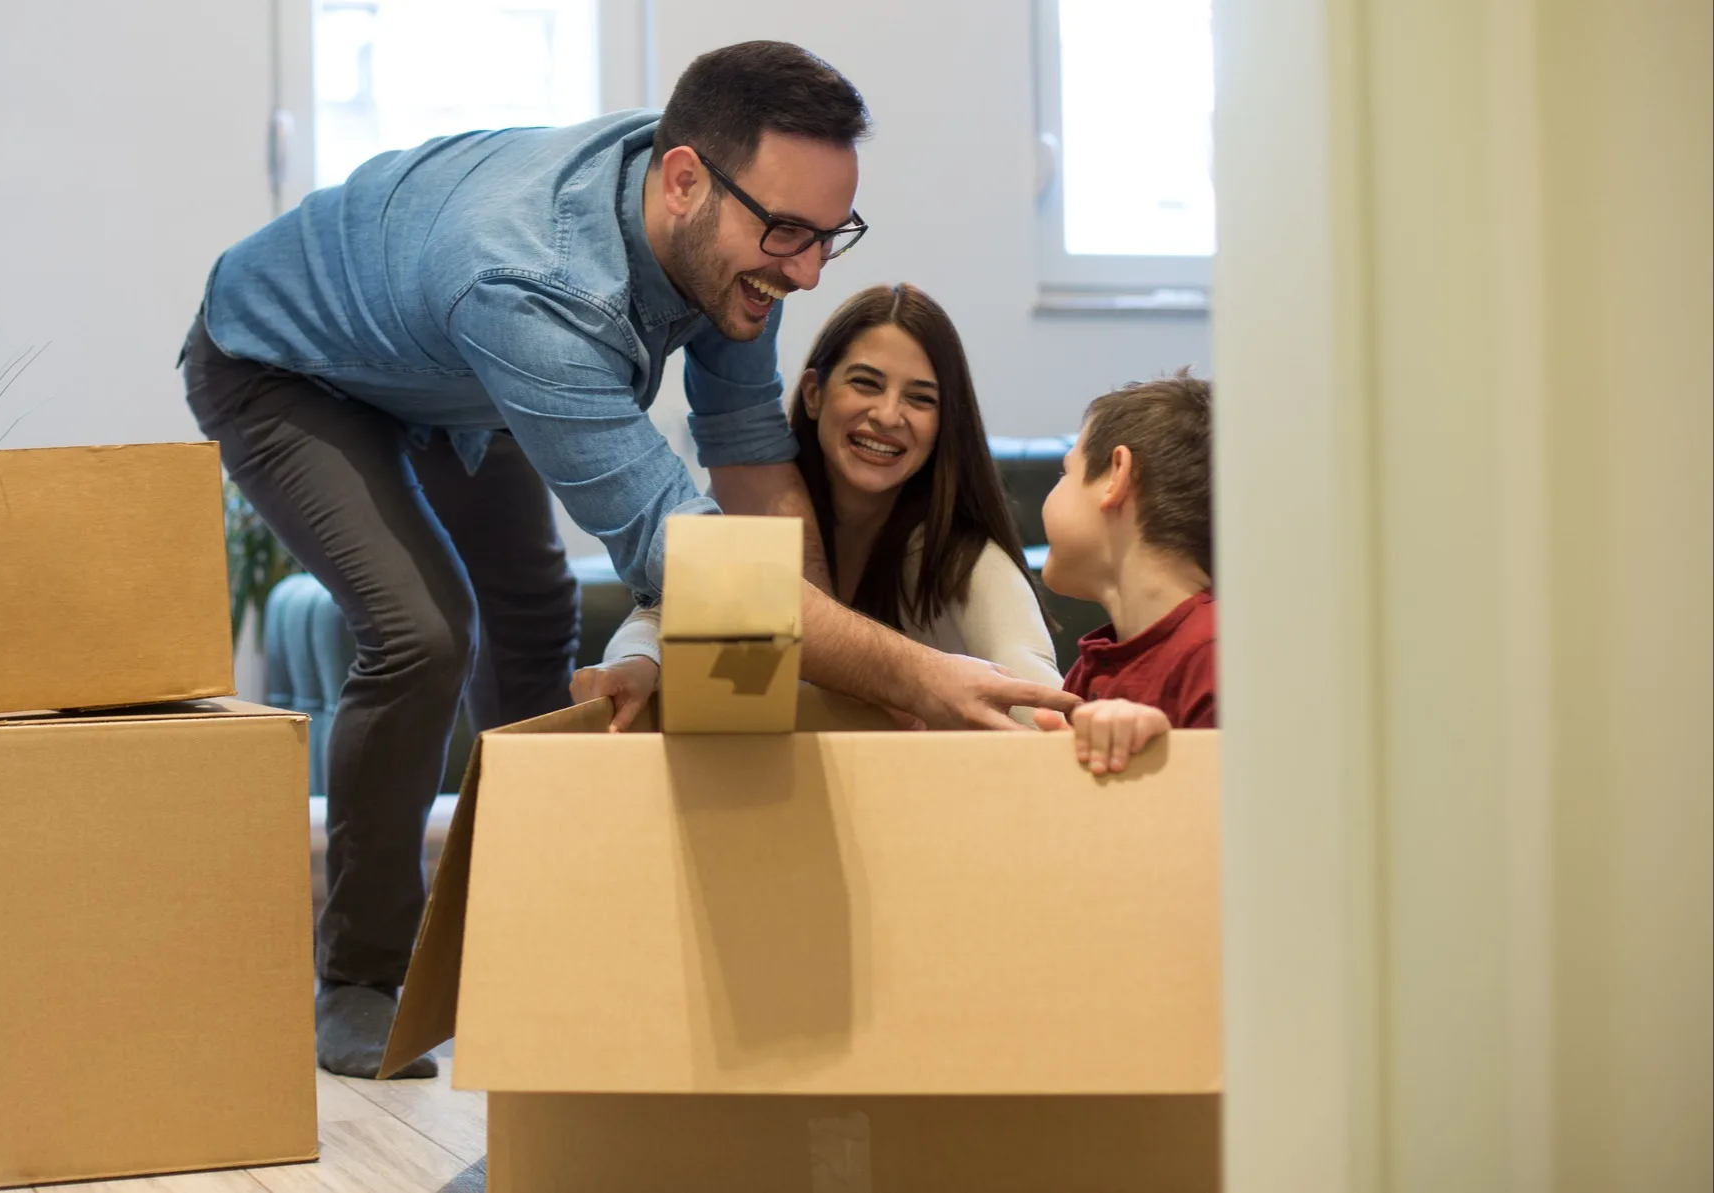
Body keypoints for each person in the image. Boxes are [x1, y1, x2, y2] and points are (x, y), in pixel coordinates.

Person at [181, 40, 1079, 1080]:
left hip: (449, 367)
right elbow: (694, 559)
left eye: (831, 238)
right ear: (685, 178)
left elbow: (746, 442)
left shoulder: (730, 243)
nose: (806, 273)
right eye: (788, 233)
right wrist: (918, 674)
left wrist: (819, 690)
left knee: (533, 619)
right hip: (288, 364)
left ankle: (530, 932)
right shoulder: (534, 289)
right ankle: (362, 976)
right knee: (423, 631)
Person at [572, 283, 1061, 729]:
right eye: (866, 384)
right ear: (813, 394)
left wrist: (1057, 723)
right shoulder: (749, 507)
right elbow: (662, 616)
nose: (888, 415)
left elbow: (1029, 671)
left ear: (943, 425)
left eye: (920, 399)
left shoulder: (960, 556)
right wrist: (636, 663)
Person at [1029, 372, 1217, 774]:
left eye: (1067, 474)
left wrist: (1166, 756)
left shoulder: (1215, 655)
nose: (1056, 490)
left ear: (1117, 475)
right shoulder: (1091, 670)